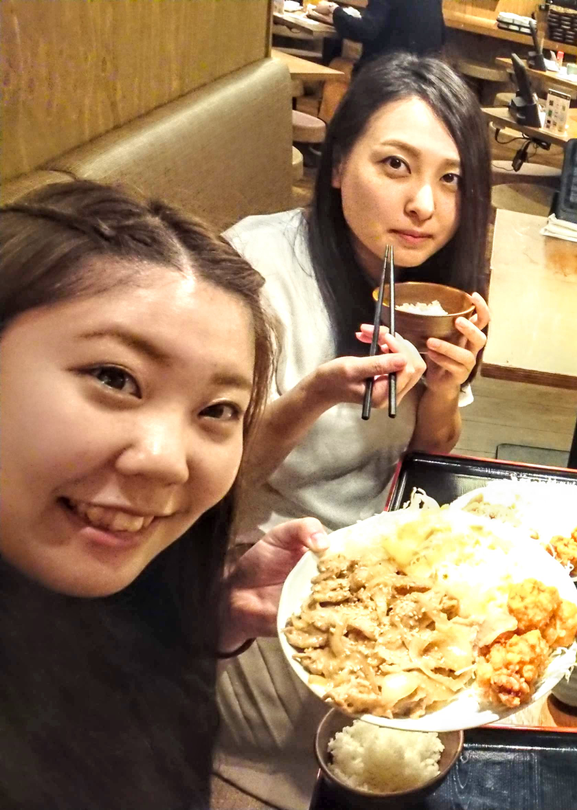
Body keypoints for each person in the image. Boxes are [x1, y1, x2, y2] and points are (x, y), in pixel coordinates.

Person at [213, 53, 491, 810]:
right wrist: (313, 395)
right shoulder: (254, 276)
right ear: (337, 166)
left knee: (493, 669)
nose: (424, 205)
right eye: (395, 165)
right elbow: (212, 481)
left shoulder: (433, 288)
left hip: (378, 555)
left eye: (450, 179)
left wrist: (444, 390)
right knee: (412, 734)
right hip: (257, 571)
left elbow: (431, 449)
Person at [0, 181, 328, 808]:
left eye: (218, 410)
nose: (166, 461)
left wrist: (212, 618)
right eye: (114, 377)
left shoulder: (113, 601)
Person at [314, 0, 445, 76]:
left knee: (337, 65)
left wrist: (334, 10)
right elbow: (441, 35)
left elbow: (365, 30)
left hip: (385, 76)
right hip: (423, 76)